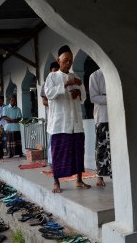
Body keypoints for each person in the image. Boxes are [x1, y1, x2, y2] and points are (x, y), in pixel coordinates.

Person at [44, 44, 91, 193]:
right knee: (58, 153)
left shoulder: (75, 76)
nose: (68, 63)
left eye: (70, 60)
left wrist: (79, 92)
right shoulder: (52, 76)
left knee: (78, 151)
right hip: (60, 123)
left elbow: (83, 96)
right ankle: (56, 182)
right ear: (58, 61)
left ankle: (79, 180)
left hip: (75, 122)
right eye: (65, 60)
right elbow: (49, 94)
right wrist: (66, 84)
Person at [89, 69, 111, 187]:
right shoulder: (95, 75)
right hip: (102, 117)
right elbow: (93, 97)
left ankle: (115, 173)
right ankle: (99, 176)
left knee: (114, 148)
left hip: (115, 116)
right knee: (101, 147)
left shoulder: (113, 72)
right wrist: (111, 98)